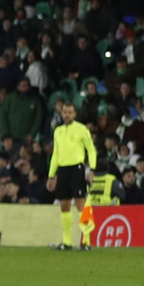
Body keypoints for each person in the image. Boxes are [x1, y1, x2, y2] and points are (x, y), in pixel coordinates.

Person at [47, 103, 96, 251]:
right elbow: (55, 154)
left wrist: (92, 169)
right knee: (64, 205)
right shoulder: (58, 131)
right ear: (62, 114)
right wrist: (51, 175)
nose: (67, 115)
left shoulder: (82, 129)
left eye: (70, 112)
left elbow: (91, 150)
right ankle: (66, 242)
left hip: (77, 169)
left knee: (81, 204)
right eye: (65, 112)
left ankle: (86, 241)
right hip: (62, 170)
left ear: (75, 114)